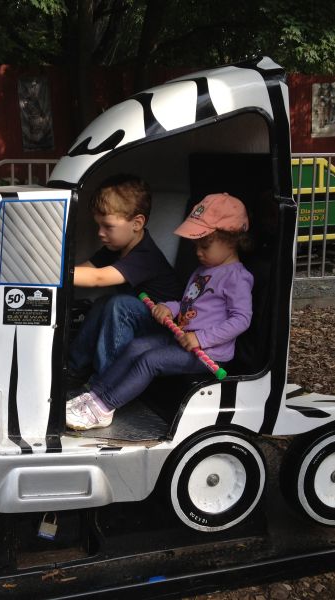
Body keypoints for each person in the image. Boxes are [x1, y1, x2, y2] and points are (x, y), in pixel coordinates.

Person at [66, 192, 254, 431]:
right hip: (181, 338)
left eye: (205, 245)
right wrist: (168, 307)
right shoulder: (203, 270)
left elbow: (241, 320)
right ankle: (94, 395)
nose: (198, 251)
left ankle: (104, 408)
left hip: (208, 352)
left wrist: (201, 338)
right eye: (196, 245)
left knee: (150, 361)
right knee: (136, 347)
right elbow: (189, 303)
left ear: (232, 240)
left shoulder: (237, 277)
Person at [67, 175, 183, 382]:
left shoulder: (145, 256)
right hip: (139, 318)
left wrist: (51, 273)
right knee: (103, 303)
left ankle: (106, 384)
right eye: (98, 225)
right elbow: (84, 270)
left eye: (108, 226)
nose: (100, 233)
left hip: (164, 323)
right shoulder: (114, 248)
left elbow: (97, 278)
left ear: (137, 223)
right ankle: (72, 369)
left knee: (120, 305)